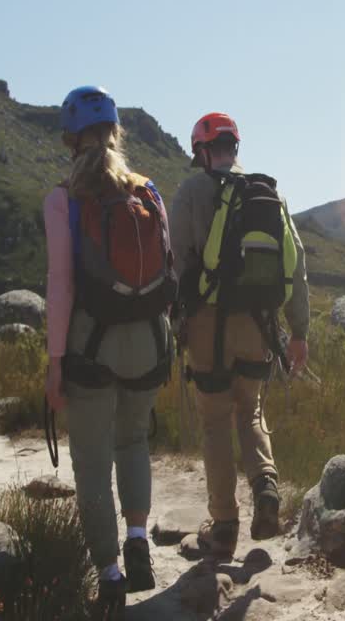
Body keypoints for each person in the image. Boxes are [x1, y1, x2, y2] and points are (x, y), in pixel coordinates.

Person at [43, 86, 175, 619]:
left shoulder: (63, 199)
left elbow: (61, 286)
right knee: (134, 440)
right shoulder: (150, 192)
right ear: (117, 132)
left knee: (92, 463)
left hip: (91, 345)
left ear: (68, 140)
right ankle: (139, 538)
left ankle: (110, 572)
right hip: (148, 340)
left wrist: (55, 363)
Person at [171, 111, 310, 559]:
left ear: (201, 150)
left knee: (215, 421)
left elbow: (177, 263)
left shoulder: (191, 191)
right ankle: (266, 484)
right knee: (249, 411)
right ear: (235, 147)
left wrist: (176, 324)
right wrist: (299, 333)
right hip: (258, 323)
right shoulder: (268, 194)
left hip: (208, 323)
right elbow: (297, 264)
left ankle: (224, 527)